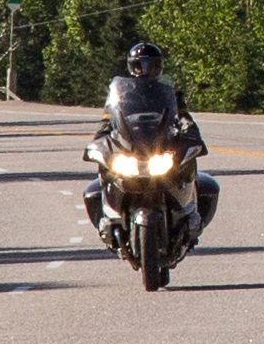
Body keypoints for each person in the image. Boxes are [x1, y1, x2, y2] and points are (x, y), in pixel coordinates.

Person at [81, 43, 222, 242]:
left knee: (193, 167)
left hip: (161, 141)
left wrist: (191, 132)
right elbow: (107, 120)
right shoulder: (122, 92)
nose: (145, 70)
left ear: (159, 67)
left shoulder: (169, 89)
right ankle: (111, 218)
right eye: (139, 65)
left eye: (151, 65)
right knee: (96, 187)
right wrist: (100, 141)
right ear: (131, 67)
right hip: (132, 143)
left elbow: (182, 114)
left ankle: (188, 211)